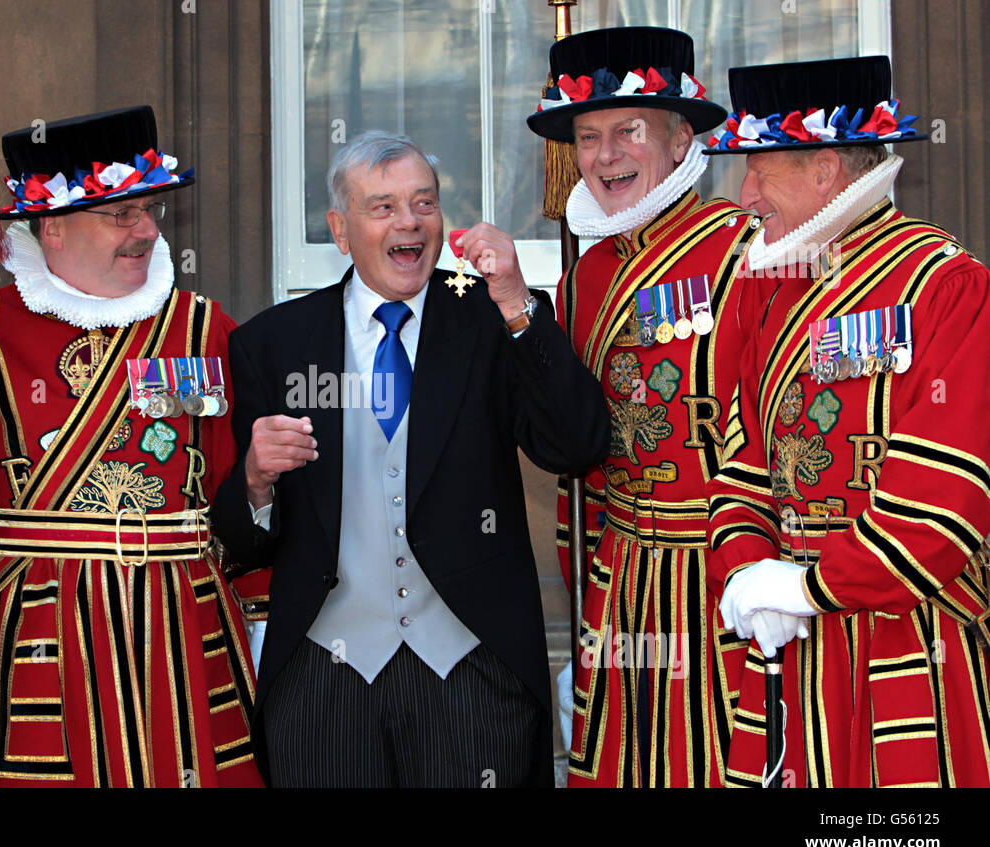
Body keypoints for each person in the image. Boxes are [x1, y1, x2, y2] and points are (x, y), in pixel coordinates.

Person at [210, 129, 608, 787]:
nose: (410, 223)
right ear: (341, 229)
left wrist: (516, 303)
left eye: (424, 203)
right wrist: (254, 480)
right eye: (384, 207)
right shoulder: (273, 344)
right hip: (324, 684)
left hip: (474, 677)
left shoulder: (488, 318)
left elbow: (577, 445)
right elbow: (244, 545)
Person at [0, 107, 265, 787]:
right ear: (53, 226)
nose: (148, 230)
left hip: (180, 641)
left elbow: (241, 492)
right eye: (122, 215)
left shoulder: (205, 328)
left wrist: (267, 620)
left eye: (149, 210)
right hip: (40, 646)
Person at [706, 56, 990, 787]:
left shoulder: (947, 286)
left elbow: (944, 504)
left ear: (826, 168)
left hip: (910, 645)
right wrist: (746, 569)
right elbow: (742, 462)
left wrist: (804, 587)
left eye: (761, 170)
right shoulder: (774, 287)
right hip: (793, 649)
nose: (747, 196)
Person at [527, 26, 772, 787]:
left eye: (628, 131)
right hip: (624, 576)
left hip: (722, 575)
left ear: (677, 140)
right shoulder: (584, 277)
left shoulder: (751, 251)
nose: (605, 156)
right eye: (589, 135)